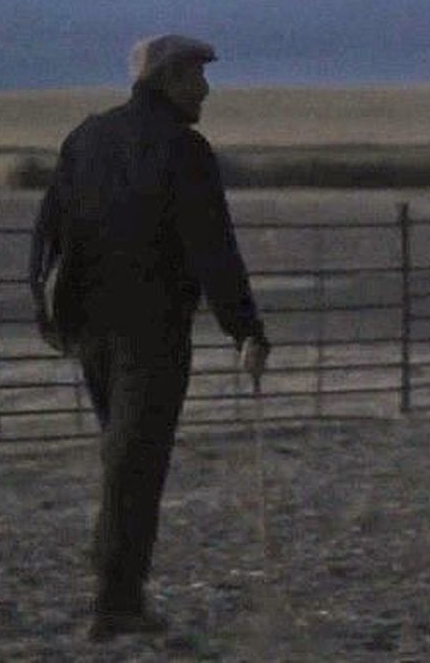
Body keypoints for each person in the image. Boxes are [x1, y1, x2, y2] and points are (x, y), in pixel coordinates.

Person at [29, 33, 270, 642]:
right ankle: (116, 603)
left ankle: (119, 592)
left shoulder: (86, 138)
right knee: (135, 464)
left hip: (91, 329)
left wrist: (50, 313)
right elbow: (212, 246)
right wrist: (244, 328)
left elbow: (48, 234)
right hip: (152, 331)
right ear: (168, 79)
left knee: (123, 456)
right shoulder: (183, 151)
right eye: (197, 76)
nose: (207, 89)